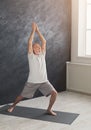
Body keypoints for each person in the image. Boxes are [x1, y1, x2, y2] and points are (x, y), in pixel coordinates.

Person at [7, 22, 57, 116]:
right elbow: (30, 42)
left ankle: (49, 109)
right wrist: (33, 30)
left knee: (54, 93)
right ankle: (13, 106)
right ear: (32, 49)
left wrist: (38, 30)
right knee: (21, 96)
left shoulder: (42, 55)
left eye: (39, 48)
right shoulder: (31, 56)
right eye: (35, 48)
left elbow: (44, 42)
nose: (38, 49)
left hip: (44, 81)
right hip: (32, 82)